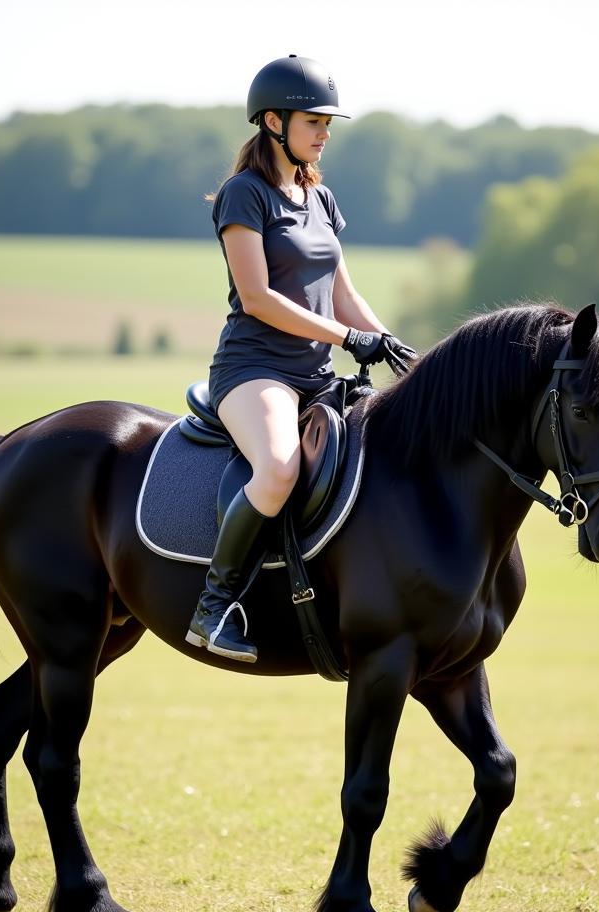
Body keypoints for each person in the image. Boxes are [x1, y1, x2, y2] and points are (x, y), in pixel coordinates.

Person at [185, 54, 416, 664]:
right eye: (313, 120)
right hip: (254, 370)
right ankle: (213, 607)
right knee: (281, 467)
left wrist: (388, 342)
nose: (324, 132)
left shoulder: (321, 199)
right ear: (271, 121)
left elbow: (342, 292)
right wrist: (346, 339)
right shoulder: (244, 196)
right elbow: (258, 298)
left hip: (315, 375)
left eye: (328, 122)